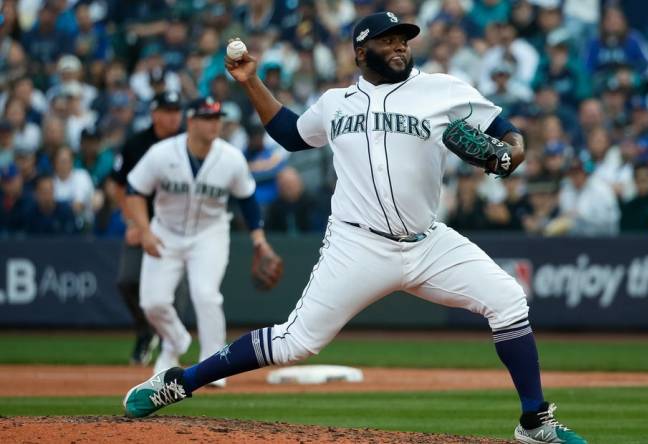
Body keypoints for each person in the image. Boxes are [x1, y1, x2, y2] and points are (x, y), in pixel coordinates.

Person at [122, 12, 587, 444]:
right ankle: (179, 382)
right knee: (294, 343)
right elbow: (288, 133)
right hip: (357, 244)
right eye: (388, 40)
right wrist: (251, 82)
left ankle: (534, 422)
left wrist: (514, 152)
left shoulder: (443, 89)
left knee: (508, 301)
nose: (400, 46)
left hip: (429, 241)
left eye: (403, 39)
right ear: (361, 52)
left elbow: (507, 130)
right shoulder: (335, 103)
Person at [124, 96, 279, 388]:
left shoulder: (231, 157)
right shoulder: (162, 153)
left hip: (209, 233)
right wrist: (144, 231)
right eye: (207, 118)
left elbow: (247, 200)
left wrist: (260, 241)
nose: (214, 123)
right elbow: (134, 190)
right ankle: (176, 339)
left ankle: (214, 366)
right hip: (165, 231)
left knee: (206, 294)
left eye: (217, 118)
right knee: (152, 302)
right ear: (191, 121)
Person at [109, 91, 184, 366]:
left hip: (179, 226)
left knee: (179, 291)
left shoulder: (189, 141)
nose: (173, 116)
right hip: (144, 223)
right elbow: (119, 185)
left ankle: (169, 343)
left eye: (177, 111)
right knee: (127, 280)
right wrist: (132, 221)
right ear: (154, 114)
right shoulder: (137, 143)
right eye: (167, 110)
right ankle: (145, 333)